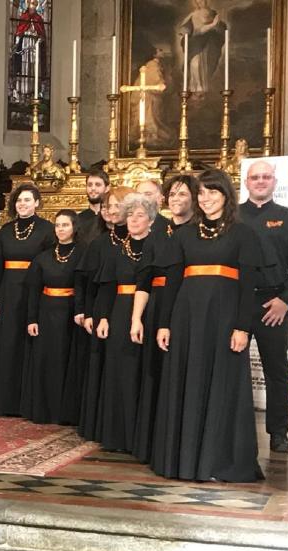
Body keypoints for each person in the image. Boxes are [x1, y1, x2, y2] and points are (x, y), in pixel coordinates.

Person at [151, 169, 264, 482]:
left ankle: (217, 462)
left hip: (225, 321)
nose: (207, 198)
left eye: (213, 192)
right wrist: (165, 325)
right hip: (186, 320)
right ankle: (183, 461)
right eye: (201, 193)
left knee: (221, 384)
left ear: (226, 195)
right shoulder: (184, 235)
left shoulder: (244, 234)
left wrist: (243, 327)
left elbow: (248, 287)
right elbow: (172, 282)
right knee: (186, 381)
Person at [240, 160, 288, 453]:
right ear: (246, 182)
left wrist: (285, 299)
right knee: (233, 369)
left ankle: (278, 433)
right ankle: (235, 429)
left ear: (274, 181)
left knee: (276, 370)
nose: (260, 181)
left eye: (266, 177)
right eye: (255, 177)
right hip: (238, 302)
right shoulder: (233, 216)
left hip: (274, 303)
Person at [129, 175, 197, 462]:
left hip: (191, 309)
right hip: (158, 309)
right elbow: (143, 280)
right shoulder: (158, 233)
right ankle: (154, 444)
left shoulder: (201, 231)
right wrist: (136, 319)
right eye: (172, 194)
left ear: (195, 197)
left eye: (183, 194)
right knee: (155, 375)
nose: (177, 199)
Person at [93, 194, 156, 452]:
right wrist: (103, 318)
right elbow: (107, 287)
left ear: (151, 220)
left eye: (140, 215)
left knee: (142, 372)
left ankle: (141, 437)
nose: (133, 219)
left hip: (149, 312)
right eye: (130, 214)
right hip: (119, 312)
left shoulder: (158, 246)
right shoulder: (117, 250)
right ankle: (119, 435)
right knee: (120, 371)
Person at [0, 183, 56, 416]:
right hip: (8, 291)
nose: (22, 204)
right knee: (8, 344)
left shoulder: (48, 230)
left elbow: (52, 263)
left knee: (30, 344)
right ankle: (5, 402)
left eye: (27, 200)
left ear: (37, 203)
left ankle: (29, 402)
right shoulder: (5, 231)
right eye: (19, 200)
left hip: (35, 291)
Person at [77, 187, 131, 441]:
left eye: (117, 205)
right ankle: (100, 425)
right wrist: (87, 312)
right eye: (108, 206)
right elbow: (88, 282)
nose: (111, 210)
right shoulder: (98, 243)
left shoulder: (140, 238)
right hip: (101, 308)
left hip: (130, 308)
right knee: (100, 364)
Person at [22, 209, 85, 424]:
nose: (60, 229)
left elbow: (82, 286)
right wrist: (32, 319)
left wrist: (80, 311)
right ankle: (44, 410)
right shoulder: (44, 256)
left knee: (65, 362)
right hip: (46, 312)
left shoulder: (83, 252)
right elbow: (34, 289)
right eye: (57, 225)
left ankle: (64, 412)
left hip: (70, 315)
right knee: (46, 361)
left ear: (74, 227)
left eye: (65, 225)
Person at [78, 169, 110, 234]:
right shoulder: (78, 219)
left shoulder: (111, 217)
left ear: (107, 188)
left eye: (98, 185)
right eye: (89, 185)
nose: (93, 188)